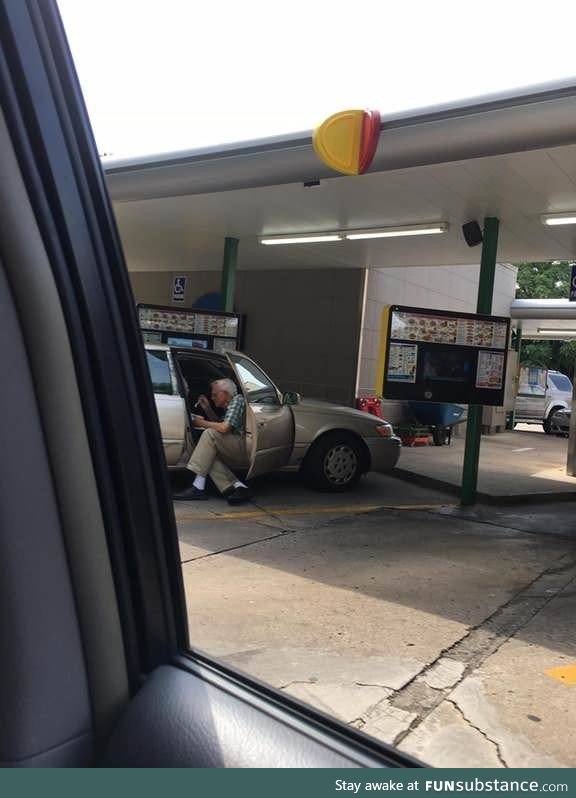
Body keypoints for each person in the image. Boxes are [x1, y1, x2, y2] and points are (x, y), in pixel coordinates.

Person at [174, 378, 253, 505]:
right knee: (208, 454)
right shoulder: (229, 405)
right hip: (233, 445)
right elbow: (220, 424)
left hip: (244, 446)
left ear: (225, 393)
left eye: (215, 394)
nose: (212, 397)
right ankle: (239, 486)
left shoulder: (237, 400)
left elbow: (224, 428)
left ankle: (198, 486)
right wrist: (207, 408)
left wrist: (200, 422)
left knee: (210, 434)